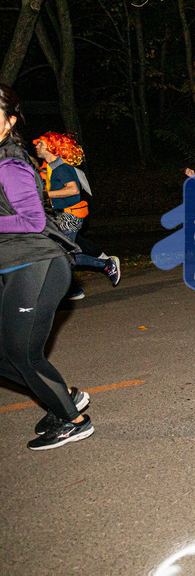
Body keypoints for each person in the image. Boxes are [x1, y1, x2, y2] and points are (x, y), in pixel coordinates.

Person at [0, 84, 93, 450]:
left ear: (9, 121)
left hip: (37, 265)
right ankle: (62, 396)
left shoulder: (11, 163)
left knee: (23, 353)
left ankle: (73, 421)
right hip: (13, 267)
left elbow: (33, 219)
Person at [33, 132, 121, 296]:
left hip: (70, 216)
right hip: (61, 216)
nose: (36, 146)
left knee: (64, 257)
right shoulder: (50, 168)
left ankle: (105, 264)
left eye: (41, 144)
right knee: (63, 256)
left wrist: (44, 194)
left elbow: (73, 189)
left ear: (52, 147)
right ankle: (102, 266)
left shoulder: (61, 168)